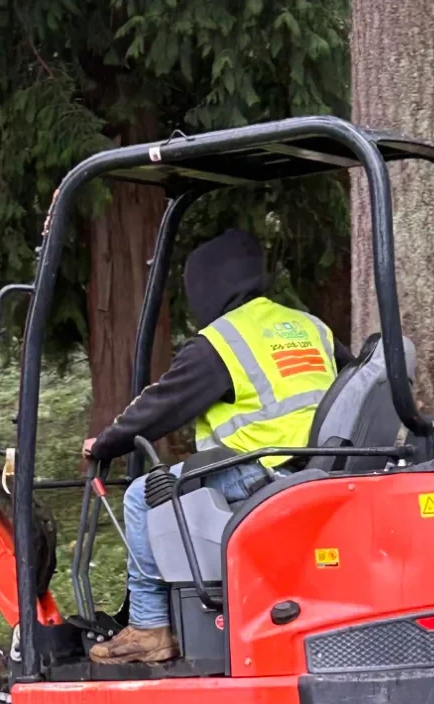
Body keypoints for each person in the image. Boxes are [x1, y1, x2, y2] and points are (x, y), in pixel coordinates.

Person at [82, 226, 351, 664]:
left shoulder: (222, 343)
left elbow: (161, 405)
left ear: (208, 285)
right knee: (177, 481)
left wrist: (105, 444)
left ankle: (150, 627)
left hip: (263, 470)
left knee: (139, 497)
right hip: (323, 466)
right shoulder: (309, 327)